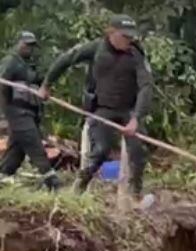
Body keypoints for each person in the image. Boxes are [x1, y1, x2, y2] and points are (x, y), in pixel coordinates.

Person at [40, 15, 152, 198]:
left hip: (128, 111)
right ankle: (78, 189)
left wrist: (136, 118)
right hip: (102, 109)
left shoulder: (136, 55)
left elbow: (146, 87)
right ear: (111, 33)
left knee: (138, 152)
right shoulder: (95, 48)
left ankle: (135, 196)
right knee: (100, 150)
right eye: (125, 36)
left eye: (131, 37)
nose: (129, 41)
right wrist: (46, 85)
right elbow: (66, 60)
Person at [0, 31, 60, 190]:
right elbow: (3, 85)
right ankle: (50, 177)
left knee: (17, 148)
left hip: (30, 111)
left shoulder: (29, 64)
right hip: (17, 111)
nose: (29, 48)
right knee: (33, 142)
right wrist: (7, 110)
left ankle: (4, 174)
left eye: (32, 46)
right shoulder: (11, 61)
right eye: (26, 44)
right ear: (19, 43)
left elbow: (40, 81)